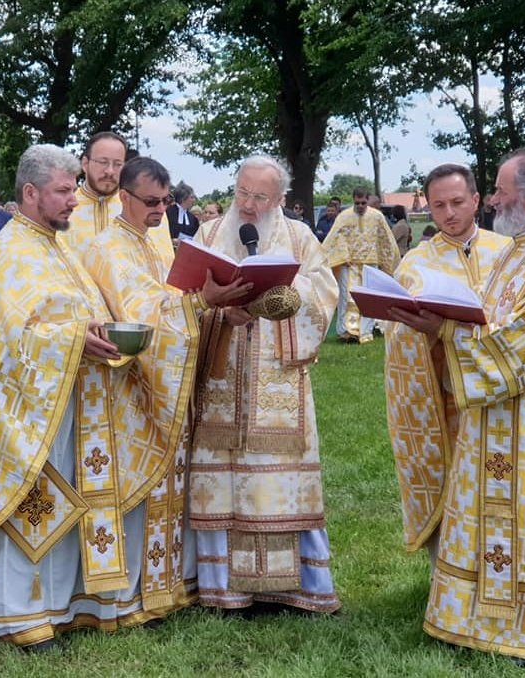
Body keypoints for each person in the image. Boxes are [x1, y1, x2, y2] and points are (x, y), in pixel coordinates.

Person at [0, 144, 164, 649]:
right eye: (64, 191)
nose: (74, 200)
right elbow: (6, 335)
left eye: (73, 190)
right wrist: (73, 338)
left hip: (63, 401)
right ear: (30, 193)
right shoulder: (10, 251)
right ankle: (8, 613)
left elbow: (65, 310)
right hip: (19, 410)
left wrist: (90, 328)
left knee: (62, 505)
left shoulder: (56, 244)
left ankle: (57, 603)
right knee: (25, 502)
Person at [388, 146, 525, 661]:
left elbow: (519, 350)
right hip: (499, 414)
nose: (493, 203)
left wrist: (445, 330)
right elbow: (492, 321)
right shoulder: (519, 248)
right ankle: (485, 612)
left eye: (502, 192)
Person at [81, 157, 253, 624]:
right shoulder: (105, 248)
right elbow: (140, 313)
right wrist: (201, 302)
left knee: (174, 485)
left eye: (166, 201)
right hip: (132, 389)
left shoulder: (160, 242)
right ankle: (134, 594)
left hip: (172, 385)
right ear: (124, 196)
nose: (160, 209)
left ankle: (171, 583)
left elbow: (179, 301)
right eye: (151, 201)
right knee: (142, 490)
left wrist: (218, 308)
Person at [189, 155, 341, 614]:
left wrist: (285, 301)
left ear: (278, 200)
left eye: (259, 196)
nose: (249, 205)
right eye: (242, 193)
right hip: (221, 381)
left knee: (280, 481)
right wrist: (217, 312)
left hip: (279, 385)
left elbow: (325, 293)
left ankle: (295, 589)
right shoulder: (209, 235)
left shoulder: (298, 237)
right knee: (221, 484)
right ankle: (223, 590)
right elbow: (183, 297)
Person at [384, 163, 510, 568]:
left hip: (499, 394)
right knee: (453, 483)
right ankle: (448, 575)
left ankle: (502, 570)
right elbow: (396, 332)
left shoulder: (509, 253)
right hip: (443, 399)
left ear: (476, 200)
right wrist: (420, 328)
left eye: (457, 202)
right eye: (438, 206)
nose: (449, 213)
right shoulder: (416, 262)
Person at [63, 131, 174, 264]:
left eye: (117, 164)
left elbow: (165, 263)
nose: (110, 171)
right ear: (85, 164)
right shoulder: (62, 209)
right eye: (103, 162)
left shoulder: (144, 206)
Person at [322, 187, 400, 343]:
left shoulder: (377, 216)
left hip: (370, 263)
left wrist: (386, 260)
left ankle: (365, 332)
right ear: (353, 201)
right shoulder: (344, 217)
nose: (360, 206)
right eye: (357, 203)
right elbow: (336, 237)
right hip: (348, 264)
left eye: (363, 203)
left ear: (368, 200)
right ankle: (345, 331)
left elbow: (385, 239)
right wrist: (343, 256)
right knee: (346, 297)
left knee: (369, 299)